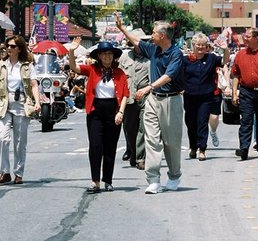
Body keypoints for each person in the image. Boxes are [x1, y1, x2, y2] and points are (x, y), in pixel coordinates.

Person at [115, 13, 184, 194]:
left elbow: (169, 76)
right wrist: (122, 29)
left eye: (153, 33)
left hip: (172, 100)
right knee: (151, 139)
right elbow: (137, 42)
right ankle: (153, 179)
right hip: (154, 99)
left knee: (171, 142)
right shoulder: (154, 49)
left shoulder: (176, 53)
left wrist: (148, 87)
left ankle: (174, 176)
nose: (151, 36)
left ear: (162, 36)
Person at [68, 38, 129, 193]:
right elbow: (74, 68)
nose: (107, 57)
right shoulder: (92, 69)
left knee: (110, 147)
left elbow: (125, 95)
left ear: (113, 56)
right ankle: (95, 181)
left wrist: (120, 112)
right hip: (96, 111)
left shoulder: (119, 73)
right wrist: (71, 51)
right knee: (95, 146)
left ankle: (108, 180)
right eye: (104, 54)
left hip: (113, 111)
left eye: (110, 54)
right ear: (99, 56)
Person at [0, 35, 41, 185]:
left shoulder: (27, 66)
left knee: (19, 142)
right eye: (7, 46)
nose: (9, 48)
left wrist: (37, 102)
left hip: (21, 102)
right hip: (3, 102)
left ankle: (18, 173)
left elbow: (34, 85)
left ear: (20, 48)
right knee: (2, 137)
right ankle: (4, 172)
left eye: (12, 46)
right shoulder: (0, 65)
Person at [183, 33, 229, 161]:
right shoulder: (186, 60)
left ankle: (202, 149)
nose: (200, 47)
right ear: (193, 46)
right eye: (198, 45)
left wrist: (225, 49)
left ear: (206, 46)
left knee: (202, 122)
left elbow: (225, 61)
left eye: (203, 45)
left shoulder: (211, 58)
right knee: (191, 124)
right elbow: (178, 75)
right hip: (189, 96)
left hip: (205, 97)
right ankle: (193, 146)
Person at [231, 28, 258, 160]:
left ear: (256, 38)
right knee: (246, 121)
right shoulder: (240, 54)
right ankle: (244, 148)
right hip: (246, 92)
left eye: (248, 36)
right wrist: (234, 94)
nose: (245, 38)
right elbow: (236, 75)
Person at [118, 28, 151, 170]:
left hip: (146, 96)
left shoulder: (151, 57)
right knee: (129, 128)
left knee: (143, 127)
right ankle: (132, 151)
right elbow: (118, 78)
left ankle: (140, 158)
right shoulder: (124, 57)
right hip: (128, 97)